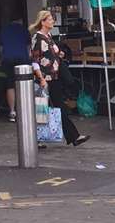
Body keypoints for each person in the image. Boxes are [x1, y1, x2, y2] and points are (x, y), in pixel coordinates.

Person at [29, 9, 89, 147]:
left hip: (54, 77)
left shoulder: (49, 36)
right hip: (44, 78)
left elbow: (54, 52)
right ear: (43, 22)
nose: (52, 21)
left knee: (53, 107)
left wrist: (60, 55)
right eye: (50, 19)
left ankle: (73, 136)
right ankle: (71, 136)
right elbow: (35, 60)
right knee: (42, 108)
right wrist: (41, 78)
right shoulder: (37, 38)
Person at [0, 16, 31, 122]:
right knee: (24, 84)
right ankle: (25, 111)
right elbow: (28, 48)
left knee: (10, 85)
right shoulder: (24, 30)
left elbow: (1, 48)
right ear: (20, 20)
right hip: (23, 59)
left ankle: (12, 112)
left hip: (7, 59)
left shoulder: (4, 30)